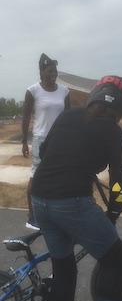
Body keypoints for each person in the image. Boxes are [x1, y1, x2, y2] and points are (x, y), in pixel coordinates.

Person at [31, 75, 122, 301]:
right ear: (121, 107)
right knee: (117, 260)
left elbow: (45, 152)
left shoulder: (67, 116)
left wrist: (81, 162)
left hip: (40, 198)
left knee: (64, 267)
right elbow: (118, 183)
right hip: (71, 202)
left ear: (94, 95)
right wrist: (113, 214)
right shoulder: (114, 133)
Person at [21, 53, 71, 230]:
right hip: (41, 138)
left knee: (60, 175)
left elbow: (68, 116)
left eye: (55, 71)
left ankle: (56, 213)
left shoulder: (64, 91)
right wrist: (24, 141)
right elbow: (26, 116)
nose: (53, 74)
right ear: (41, 72)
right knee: (37, 175)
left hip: (60, 138)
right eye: (49, 71)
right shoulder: (33, 90)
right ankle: (32, 215)